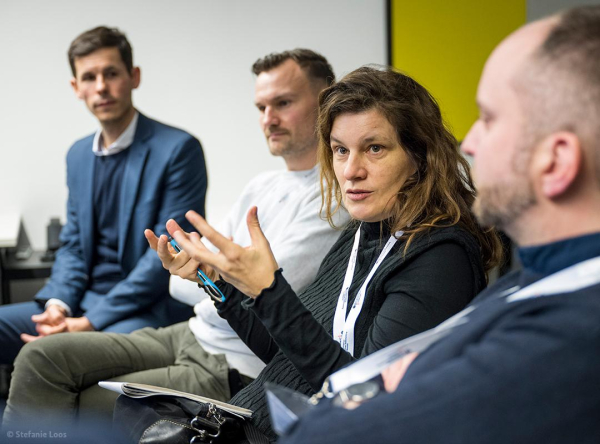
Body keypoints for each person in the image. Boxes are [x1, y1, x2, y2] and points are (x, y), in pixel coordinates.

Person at [279, 5, 600, 444]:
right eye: (339, 150)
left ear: (557, 161)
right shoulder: (537, 277)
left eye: (489, 118)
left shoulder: (566, 338)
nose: (470, 141)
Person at [153, 65, 502, 442]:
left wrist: (270, 292)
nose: (351, 171)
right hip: (248, 422)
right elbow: (287, 354)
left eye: (375, 148)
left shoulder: (439, 257)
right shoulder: (364, 229)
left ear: (419, 156)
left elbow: (364, 400)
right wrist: (212, 278)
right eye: (340, 150)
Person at [2, 49, 348, 427]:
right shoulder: (261, 185)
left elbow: (261, 293)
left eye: (283, 103)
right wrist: (212, 272)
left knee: (81, 401)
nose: (269, 119)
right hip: (191, 331)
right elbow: (183, 281)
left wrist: (208, 270)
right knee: (41, 358)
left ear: (325, 101)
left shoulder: (336, 199)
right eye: (261, 107)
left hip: (236, 360)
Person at [0, 26, 206, 366]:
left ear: (133, 76)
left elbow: (163, 256)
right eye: (89, 77)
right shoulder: (78, 155)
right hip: (78, 302)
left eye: (111, 73)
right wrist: (57, 307)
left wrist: (88, 323)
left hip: (142, 308)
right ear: (76, 87)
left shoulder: (178, 149)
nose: (101, 87)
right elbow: (74, 246)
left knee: (48, 356)